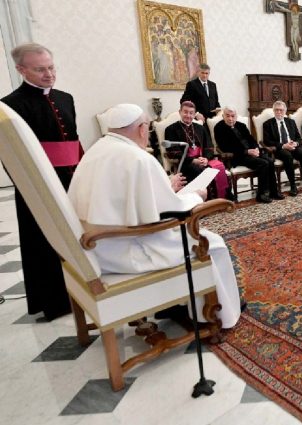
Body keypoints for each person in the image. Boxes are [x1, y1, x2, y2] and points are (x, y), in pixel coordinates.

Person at [67, 104, 241, 329]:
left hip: (98, 247)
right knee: (212, 243)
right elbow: (172, 210)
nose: (148, 134)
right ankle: (219, 313)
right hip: (130, 249)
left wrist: (167, 185)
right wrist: (196, 196)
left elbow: (127, 198)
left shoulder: (96, 150)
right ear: (141, 128)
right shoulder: (139, 158)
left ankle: (176, 303)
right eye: (148, 128)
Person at [1, 43, 80, 320]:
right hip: (38, 184)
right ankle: (55, 301)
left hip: (71, 178)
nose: (49, 74)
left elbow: (73, 140)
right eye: (40, 69)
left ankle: (83, 290)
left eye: (51, 67)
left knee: (76, 235)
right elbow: (11, 154)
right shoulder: (9, 106)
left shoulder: (66, 98)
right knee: (44, 240)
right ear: (21, 69)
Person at [213, 106, 285, 202]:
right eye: (228, 116)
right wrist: (246, 151)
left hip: (251, 152)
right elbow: (225, 147)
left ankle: (273, 192)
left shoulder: (241, 125)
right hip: (237, 156)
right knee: (264, 163)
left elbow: (251, 139)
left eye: (233, 116)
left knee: (270, 161)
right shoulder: (219, 128)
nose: (230, 119)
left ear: (236, 116)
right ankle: (261, 195)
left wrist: (256, 148)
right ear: (223, 116)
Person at [164, 101, 231, 200]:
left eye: (191, 113)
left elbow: (209, 147)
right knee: (200, 171)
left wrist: (206, 159)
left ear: (194, 114)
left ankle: (224, 198)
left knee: (219, 167)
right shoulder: (171, 129)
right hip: (185, 164)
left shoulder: (200, 128)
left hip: (202, 160)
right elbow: (173, 152)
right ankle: (208, 201)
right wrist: (192, 160)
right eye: (185, 112)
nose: (188, 115)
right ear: (180, 112)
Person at [262, 100, 302, 196]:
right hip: (279, 149)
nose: (279, 112)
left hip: (292, 146)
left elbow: (298, 138)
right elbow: (267, 141)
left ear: (285, 111)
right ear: (273, 111)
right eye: (276, 110)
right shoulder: (268, 124)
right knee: (287, 156)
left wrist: (295, 143)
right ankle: (293, 186)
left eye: (281, 110)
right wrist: (283, 145)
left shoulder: (291, 122)